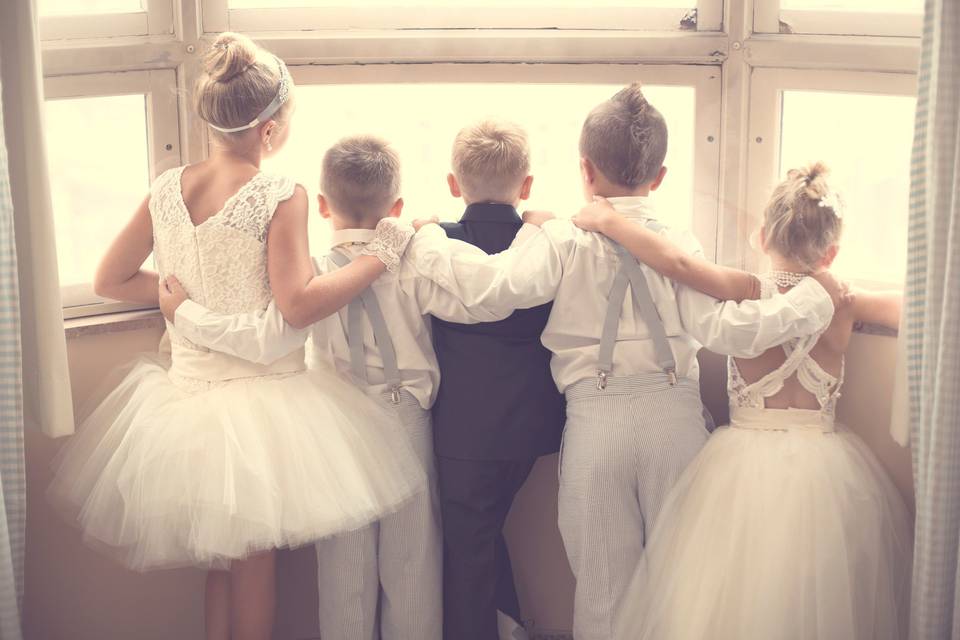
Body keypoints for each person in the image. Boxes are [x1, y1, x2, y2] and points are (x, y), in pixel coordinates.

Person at [406, 84, 845, 640]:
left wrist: (424, 241)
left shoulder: (559, 238)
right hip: (675, 422)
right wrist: (810, 299)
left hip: (596, 421)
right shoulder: (679, 242)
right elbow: (724, 331)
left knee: (602, 594)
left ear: (584, 169)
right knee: (681, 587)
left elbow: (492, 292)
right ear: (659, 177)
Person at [47, 34, 424, 640]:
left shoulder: (168, 186)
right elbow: (298, 305)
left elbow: (110, 279)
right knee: (254, 566)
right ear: (271, 129)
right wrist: (379, 255)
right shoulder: (281, 194)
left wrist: (183, 302)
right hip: (259, 403)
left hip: (186, 401)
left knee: (224, 564)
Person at [157, 134, 529, 640]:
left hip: (336, 432)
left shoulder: (305, 275)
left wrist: (186, 314)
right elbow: (482, 303)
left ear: (324, 206)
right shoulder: (415, 261)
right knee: (413, 567)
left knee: (343, 575)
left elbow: (263, 340)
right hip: (405, 424)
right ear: (396, 206)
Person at [578, 163, 911, 640]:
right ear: (832, 252)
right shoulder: (845, 301)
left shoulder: (748, 289)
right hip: (827, 471)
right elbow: (914, 310)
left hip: (740, 463)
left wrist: (610, 221)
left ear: (760, 237)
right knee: (812, 597)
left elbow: (679, 265)